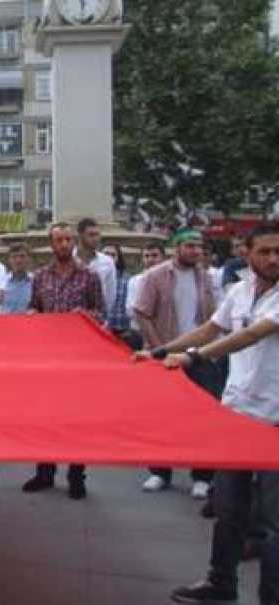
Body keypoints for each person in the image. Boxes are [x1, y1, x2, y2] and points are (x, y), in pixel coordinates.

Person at [131, 223, 279, 605]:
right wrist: (161, 352)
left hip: (275, 419)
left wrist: (194, 357)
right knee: (229, 509)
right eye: (265, 251)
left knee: (272, 521)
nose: (273, 259)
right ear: (247, 251)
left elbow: (250, 335)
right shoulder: (239, 290)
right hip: (237, 412)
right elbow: (211, 328)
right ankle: (221, 583)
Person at [21, 222, 105, 500]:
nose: (64, 244)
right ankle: (44, 471)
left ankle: (76, 474)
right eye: (59, 240)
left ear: (75, 242)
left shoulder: (89, 276)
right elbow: (34, 305)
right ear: (51, 243)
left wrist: (87, 314)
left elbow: (100, 312)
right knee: (44, 415)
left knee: (76, 417)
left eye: (68, 239)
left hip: (78, 357)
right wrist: (32, 313)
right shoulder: (41, 276)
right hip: (46, 357)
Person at [133, 229, 217, 497]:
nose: (196, 251)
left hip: (198, 355)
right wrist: (160, 349)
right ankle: (159, 471)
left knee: (203, 417)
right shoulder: (156, 275)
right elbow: (142, 313)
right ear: (176, 248)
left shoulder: (205, 277)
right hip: (164, 355)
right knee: (162, 417)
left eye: (199, 247)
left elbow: (211, 316)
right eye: (190, 246)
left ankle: (202, 475)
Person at [74, 218, 118, 319]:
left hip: (96, 317)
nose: (96, 239)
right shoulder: (69, 259)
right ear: (80, 235)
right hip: (71, 317)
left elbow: (110, 295)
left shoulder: (107, 262)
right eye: (91, 235)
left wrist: (101, 314)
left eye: (97, 234)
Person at [101, 243, 132, 334]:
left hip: (121, 328)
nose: (109, 257)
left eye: (113, 255)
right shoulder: (93, 276)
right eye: (106, 254)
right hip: (100, 327)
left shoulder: (127, 279)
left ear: (118, 258)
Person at [0, 242, 33, 314]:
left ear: (29, 259)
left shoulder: (36, 282)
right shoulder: (1, 281)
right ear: (9, 260)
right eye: (14, 257)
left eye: (22, 256)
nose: (18, 260)